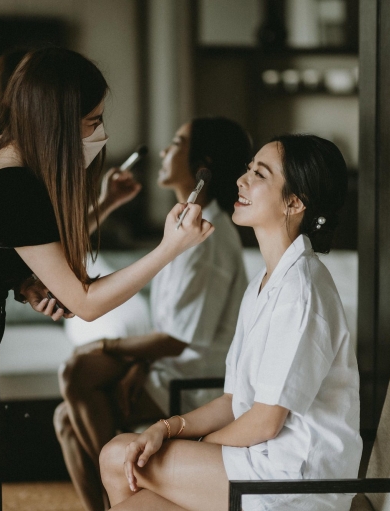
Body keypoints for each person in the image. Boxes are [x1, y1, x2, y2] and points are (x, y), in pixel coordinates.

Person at [0, 47, 213, 511]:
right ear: (57, 123)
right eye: (92, 122)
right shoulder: (15, 185)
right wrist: (169, 248)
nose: (102, 134)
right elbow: (85, 302)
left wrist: (23, 282)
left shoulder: (3, 152)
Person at [99, 134, 363, 511]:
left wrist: (197, 450)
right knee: (121, 457)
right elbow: (233, 400)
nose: (241, 180)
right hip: (260, 459)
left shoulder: (302, 291)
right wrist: (167, 427)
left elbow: (265, 422)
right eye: (247, 169)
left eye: (259, 173)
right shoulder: (265, 280)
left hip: (294, 478)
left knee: (118, 458)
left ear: (294, 201)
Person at [54, 117, 252, 511]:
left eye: (177, 142)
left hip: (195, 380)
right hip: (166, 368)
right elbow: (170, 329)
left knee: (79, 371)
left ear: (203, 165)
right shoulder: (183, 225)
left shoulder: (207, 240)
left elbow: (178, 339)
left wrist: (107, 345)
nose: (164, 151)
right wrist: (136, 366)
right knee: (65, 418)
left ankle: (124, 493)